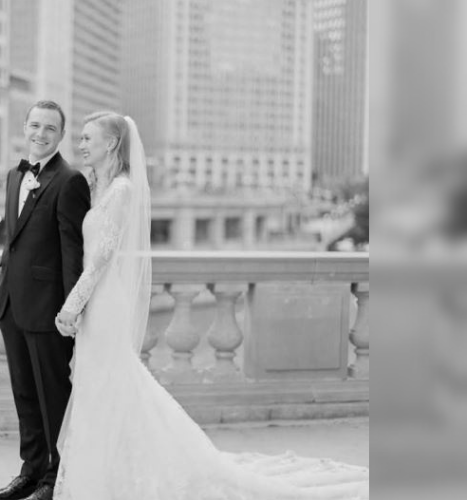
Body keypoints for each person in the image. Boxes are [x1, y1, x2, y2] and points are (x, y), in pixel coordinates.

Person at [52, 111, 370, 500]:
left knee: (111, 382)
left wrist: (73, 304)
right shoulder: (99, 188)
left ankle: (128, 473)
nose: (81, 144)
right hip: (97, 299)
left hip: (103, 300)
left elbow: (101, 259)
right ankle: (107, 472)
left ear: (112, 144)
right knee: (99, 384)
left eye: (88, 138)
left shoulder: (121, 191)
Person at [0, 100, 91, 500]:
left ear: (61, 135)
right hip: (11, 303)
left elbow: (71, 252)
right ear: (24, 127)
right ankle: (29, 472)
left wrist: (71, 309)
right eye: (35, 125)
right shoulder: (14, 175)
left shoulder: (69, 181)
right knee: (24, 394)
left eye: (50, 128)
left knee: (51, 396)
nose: (40, 134)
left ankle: (54, 478)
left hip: (48, 309)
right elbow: (13, 239)